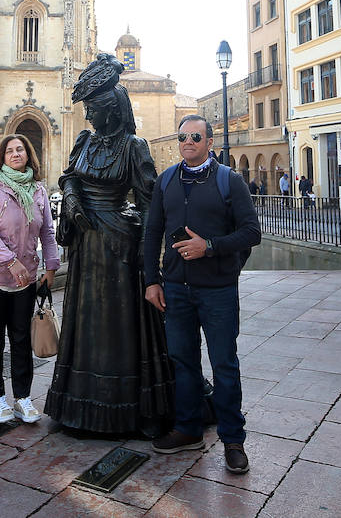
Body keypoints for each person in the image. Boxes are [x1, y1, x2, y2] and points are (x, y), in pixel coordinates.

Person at [45, 53, 173, 436]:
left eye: (92, 109)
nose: (87, 117)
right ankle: (79, 406)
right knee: (86, 325)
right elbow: (68, 178)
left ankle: (124, 409)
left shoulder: (134, 147)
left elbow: (150, 207)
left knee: (119, 328)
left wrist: (150, 262)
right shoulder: (85, 141)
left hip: (119, 247)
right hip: (86, 246)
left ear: (110, 110)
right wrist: (70, 199)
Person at [142, 114, 261, 474]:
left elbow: (251, 233)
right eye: (182, 136)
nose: (187, 141)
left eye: (195, 136)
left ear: (210, 141)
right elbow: (152, 234)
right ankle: (189, 428)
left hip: (218, 291)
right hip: (176, 289)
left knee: (224, 363)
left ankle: (233, 439)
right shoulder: (166, 181)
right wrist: (152, 280)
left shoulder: (229, 181)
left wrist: (207, 246)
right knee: (183, 362)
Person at [0, 134, 60, 425]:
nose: (15, 153)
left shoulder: (38, 190)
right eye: (10, 150)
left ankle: (22, 398)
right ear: (2, 157)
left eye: (20, 149)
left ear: (28, 154)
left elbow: (47, 231)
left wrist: (51, 265)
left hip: (25, 279)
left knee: (21, 339)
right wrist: (10, 262)